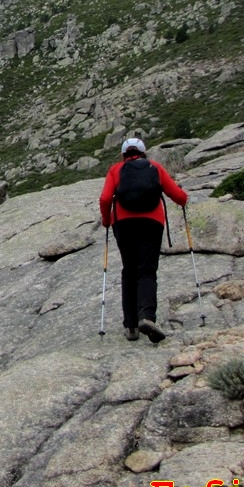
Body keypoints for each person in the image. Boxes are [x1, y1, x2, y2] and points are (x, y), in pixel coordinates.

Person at [99, 138, 188, 343]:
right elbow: (176, 194)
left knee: (129, 270)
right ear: (143, 153)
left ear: (124, 155)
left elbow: (105, 199)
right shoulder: (155, 167)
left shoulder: (116, 169)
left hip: (123, 223)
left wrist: (106, 220)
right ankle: (147, 317)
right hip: (152, 222)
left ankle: (130, 327)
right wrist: (184, 200)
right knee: (147, 270)